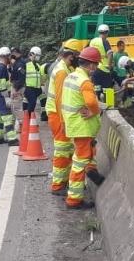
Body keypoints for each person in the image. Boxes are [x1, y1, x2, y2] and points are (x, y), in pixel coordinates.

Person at [60, 46, 104, 209]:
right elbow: (92, 103)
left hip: (73, 124)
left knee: (88, 152)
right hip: (82, 127)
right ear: (91, 65)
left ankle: (93, 173)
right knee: (79, 162)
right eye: (97, 64)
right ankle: (74, 200)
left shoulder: (71, 76)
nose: (96, 68)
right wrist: (94, 112)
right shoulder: (84, 81)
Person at [46, 40, 81, 195]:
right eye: (78, 55)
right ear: (71, 56)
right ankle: (58, 185)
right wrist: (65, 121)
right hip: (58, 116)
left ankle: (63, 181)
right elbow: (60, 99)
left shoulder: (65, 68)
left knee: (66, 150)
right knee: (61, 151)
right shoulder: (61, 71)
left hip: (58, 115)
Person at [0, 47, 18, 146]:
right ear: (7, 56)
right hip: (1, 95)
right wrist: (6, 97)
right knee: (7, 116)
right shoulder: (2, 68)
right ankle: (12, 139)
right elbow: (3, 84)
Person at [88, 24, 114, 100]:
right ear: (107, 32)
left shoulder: (93, 41)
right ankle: (110, 107)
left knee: (96, 89)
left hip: (94, 68)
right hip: (104, 69)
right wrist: (109, 65)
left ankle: (97, 106)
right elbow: (110, 53)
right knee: (108, 90)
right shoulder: (105, 41)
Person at [24, 47, 47, 117]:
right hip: (29, 87)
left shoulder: (37, 65)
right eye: (38, 56)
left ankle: (44, 116)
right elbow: (21, 74)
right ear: (33, 54)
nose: (38, 57)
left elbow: (40, 76)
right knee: (32, 103)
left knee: (43, 98)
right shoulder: (26, 64)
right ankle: (28, 119)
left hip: (37, 88)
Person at [9, 47, 26, 133]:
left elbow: (21, 77)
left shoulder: (20, 63)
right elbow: (13, 72)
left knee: (17, 107)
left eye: (12, 53)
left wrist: (16, 89)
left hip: (18, 87)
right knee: (15, 107)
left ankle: (21, 126)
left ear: (15, 52)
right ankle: (19, 126)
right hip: (17, 86)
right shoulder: (16, 62)